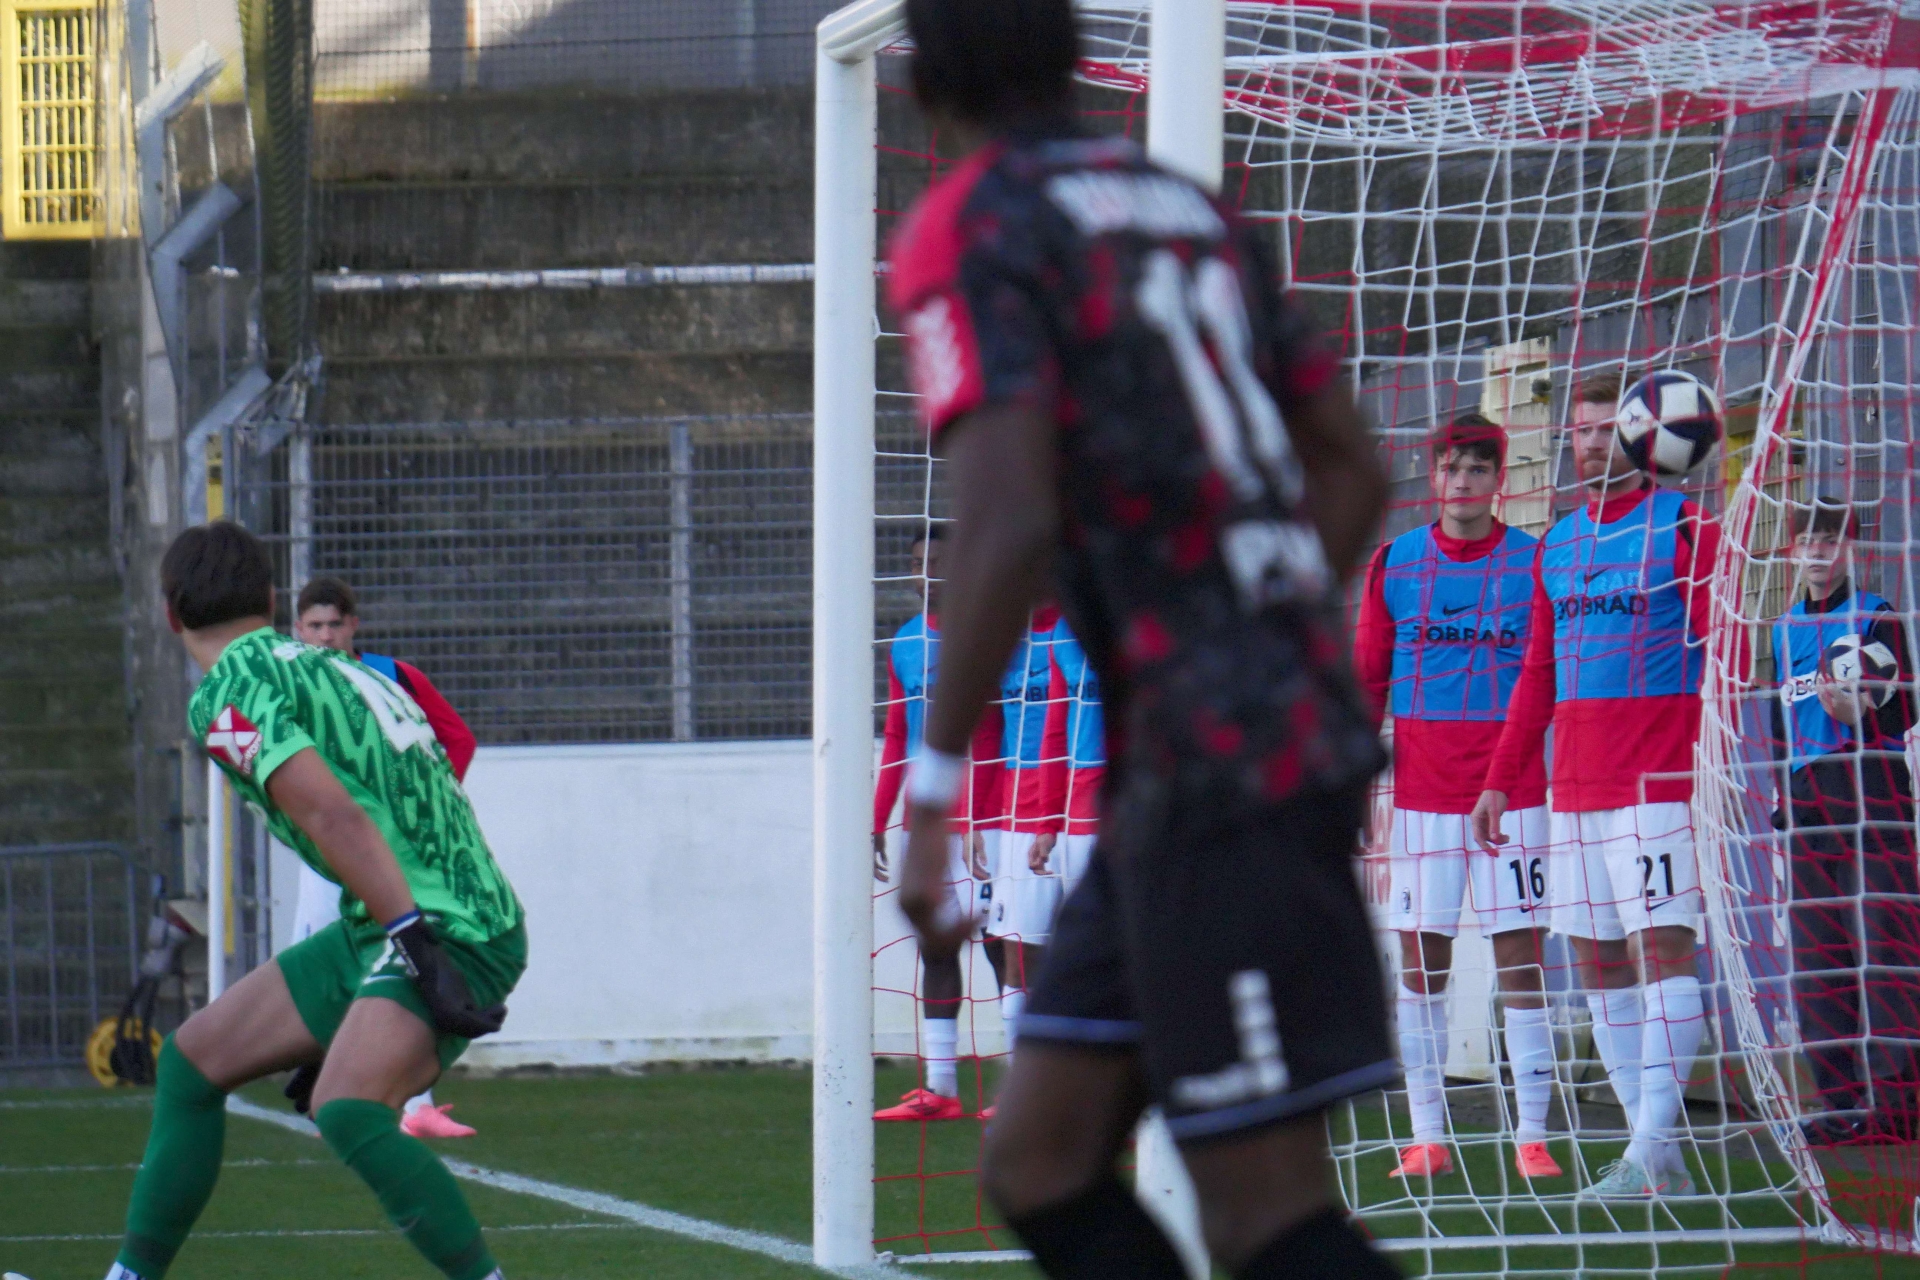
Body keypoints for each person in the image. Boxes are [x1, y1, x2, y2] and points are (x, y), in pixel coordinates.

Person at [887, 1, 1399, 1275]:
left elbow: (1006, 521)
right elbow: (1354, 468)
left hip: (1224, 769)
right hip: (1208, 757)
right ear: (1076, 53)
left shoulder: (971, 225)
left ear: (923, 79)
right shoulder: (1189, 208)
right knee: (1040, 1160)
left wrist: (934, 793)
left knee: (1263, 1210)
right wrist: (1262, 621)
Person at [104, 521, 523, 1280]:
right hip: (401, 917)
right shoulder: (332, 664)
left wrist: (413, 938)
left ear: (170, 614)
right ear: (271, 601)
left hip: (439, 924)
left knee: (348, 1106)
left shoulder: (228, 692)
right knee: (193, 1063)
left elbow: (331, 813)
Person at [1472, 372, 1738, 1198]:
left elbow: (1725, 658)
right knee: (1597, 966)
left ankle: (1649, 1148)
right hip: (1575, 791)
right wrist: (1499, 780)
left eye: (1604, 429)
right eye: (1579, 432)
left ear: (1639, 436)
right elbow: (1536, 676)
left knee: (1662, 954)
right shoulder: (1556, 544)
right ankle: (1653, 1158)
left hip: (1658, 783)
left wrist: (1717, 766)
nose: (1590, 444)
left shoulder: (1686, 527)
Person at [1352, 414, 1559, 1181]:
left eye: (1478, 468)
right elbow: (1366, 679)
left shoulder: (1534, 563)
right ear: (1432, 474)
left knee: (1520, 960)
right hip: (1420, 797)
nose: (1463, 481)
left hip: (1514, 793)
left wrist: (1503, 777)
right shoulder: (1395, 563)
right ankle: (1428, 1137)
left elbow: (1543, 683)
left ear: (1499, 479)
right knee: (1420, 963)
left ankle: (1531, 1136)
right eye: (1451, 467)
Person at [291, 575, 481, 1141]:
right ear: (298, 630)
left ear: (354, 626)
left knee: (398, 955)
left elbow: (457, 740)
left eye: (335, 624)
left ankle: (412, 1103)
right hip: (326, 846)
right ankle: (333, 1083)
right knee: (319, 961)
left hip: (387, 847)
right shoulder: (288, 685)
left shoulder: (393, 677)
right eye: (315, 626)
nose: (326, 636)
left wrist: (424, 809)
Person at [1769, 497, 1919, 1144]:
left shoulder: (1876, 616)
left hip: (1873, 793)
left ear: (1849, 549)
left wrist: (1864, 716)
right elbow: (1780, 721)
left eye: (1830, 541)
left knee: (1885, 948)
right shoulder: (1781, 629)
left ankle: (1897, 1105)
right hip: (1808, 802)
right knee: (1817, 956)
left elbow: (1907, 709)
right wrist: (1783, 793)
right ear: (1791, 551)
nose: (1818, 552)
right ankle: (1838, 1102)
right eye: (1807, 541)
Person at [872, 527, 1005, 1121]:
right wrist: (879, 818)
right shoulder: (905, 641)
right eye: (918, 563)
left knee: (1004, 949)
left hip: (985, 821)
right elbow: (898, 734)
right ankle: (941, 1087)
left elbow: (1001, 735)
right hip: (925, 825)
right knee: (935, 948)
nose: (928, 574)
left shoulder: (995, 634)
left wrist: (978, 813)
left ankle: (1019, 1086)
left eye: (940, 562)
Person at [983, 605, 1068, 1041]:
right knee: (1015, 952)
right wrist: (974, 817)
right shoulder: (1002, 639)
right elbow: (985, 735)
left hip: (1083, 806)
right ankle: (1019, 1067)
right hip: (1017, 813)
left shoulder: (1076, 631)